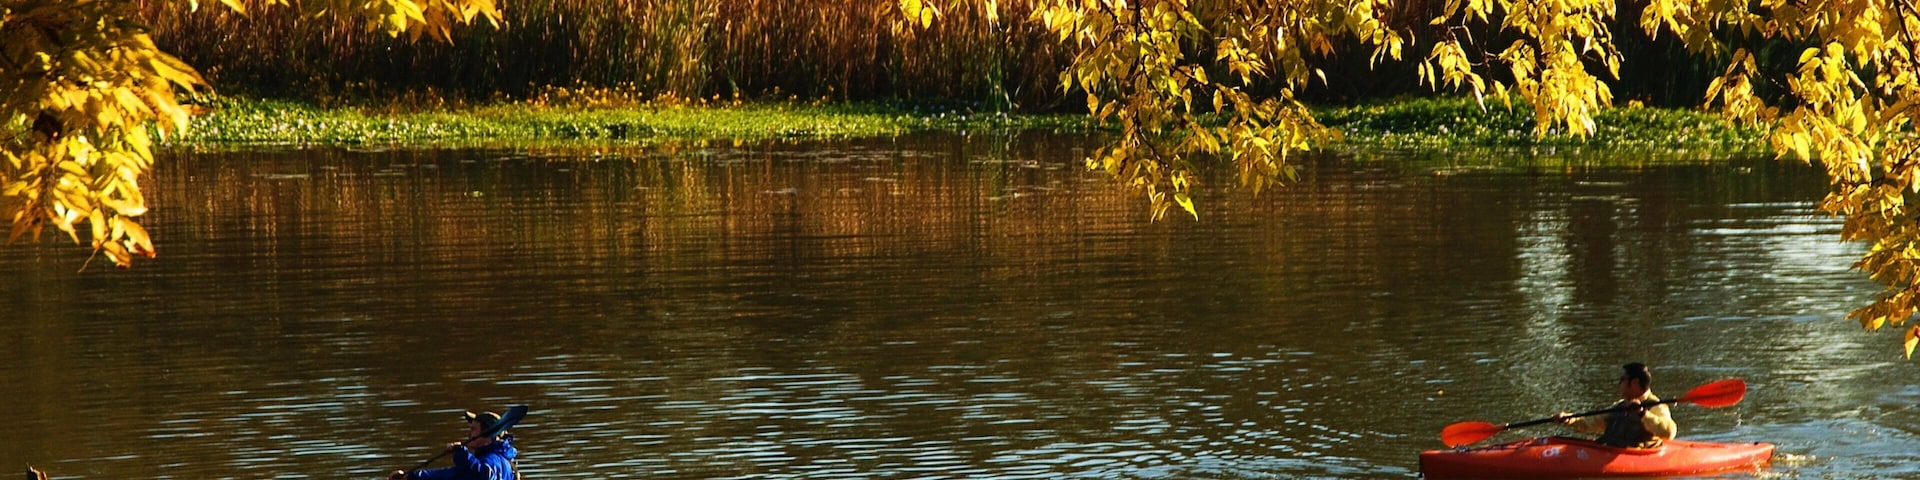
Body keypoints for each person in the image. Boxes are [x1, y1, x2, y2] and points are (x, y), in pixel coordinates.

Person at [1557, 362, 1677, 448]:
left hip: (1636, 453)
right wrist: (1569, 419)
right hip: (1608, 449)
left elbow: (1669, 433)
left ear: (1634, 382)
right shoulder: (1620, 406)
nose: (1619, 383)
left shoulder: (1656, 406)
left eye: (1622, 379)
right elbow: (1590, 424)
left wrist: (1642, 413)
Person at [389, 410, 520, 480]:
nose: (469, 434)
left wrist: (462, 454)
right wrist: (411, 477)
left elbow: (484, 475)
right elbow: (450, 475)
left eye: (473, 429)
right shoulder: (484, 461)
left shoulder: (496, 461)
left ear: (488, 433)